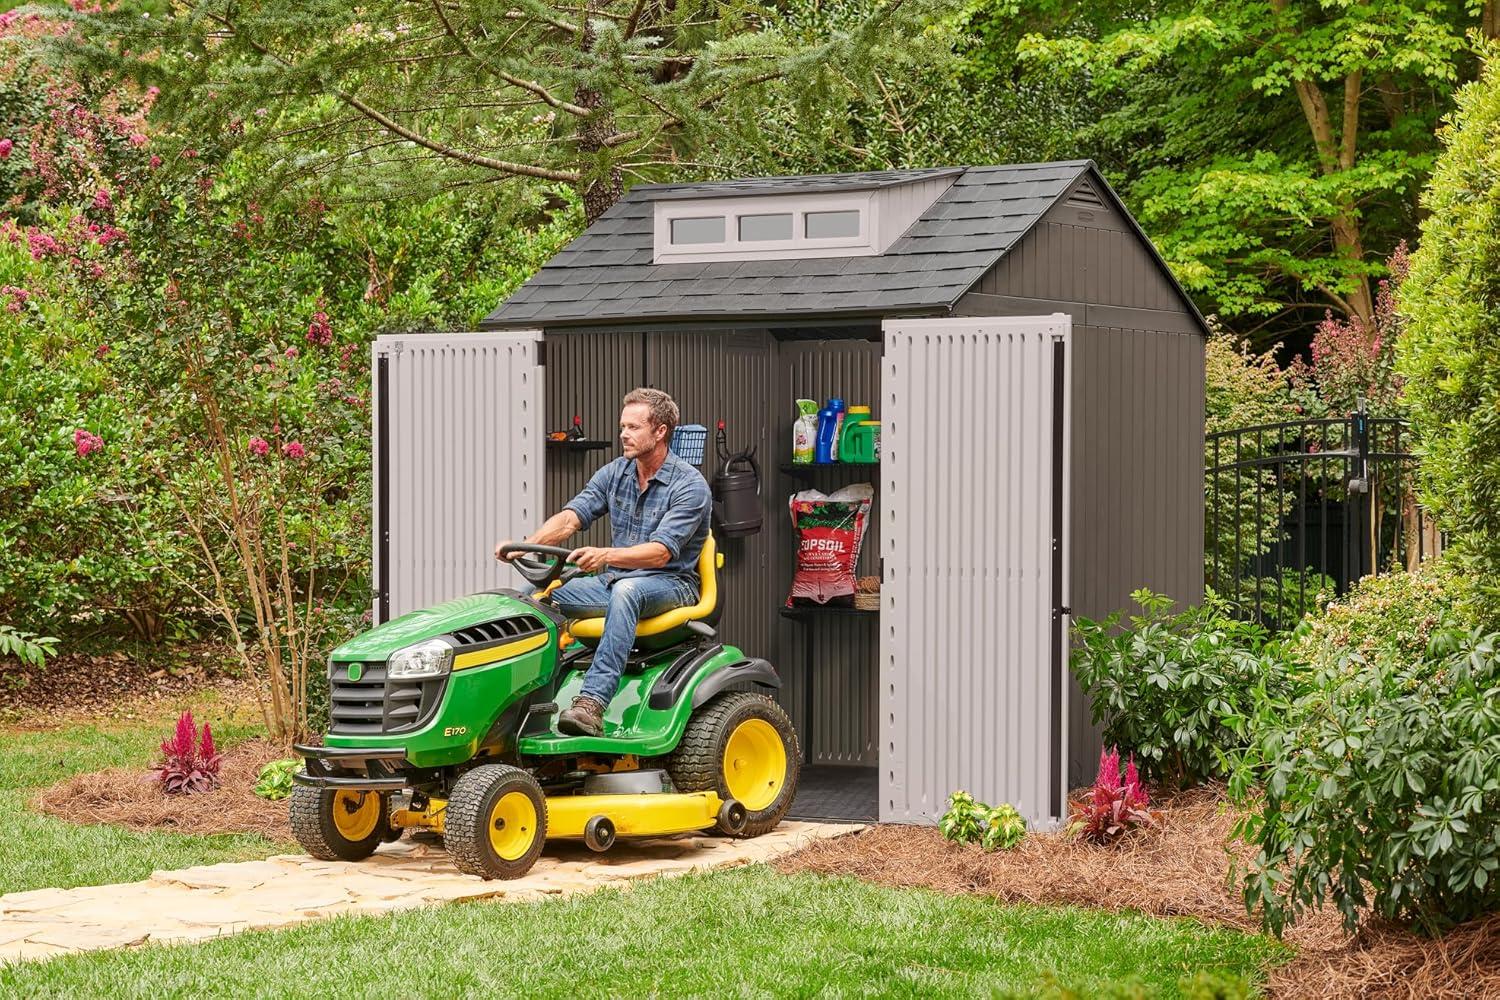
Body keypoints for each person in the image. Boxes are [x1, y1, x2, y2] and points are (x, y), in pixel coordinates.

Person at [496, 388, 710, 737]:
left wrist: (605, 555)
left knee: (627, 591)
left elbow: (661, 552)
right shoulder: (616, 473)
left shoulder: (689, 485)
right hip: (613, 581)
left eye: (634, 427)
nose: (624, 434)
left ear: (660, 432)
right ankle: (520, 701)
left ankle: (591, 704)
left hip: (670, 585)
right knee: (530, 597)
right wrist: (526, 545)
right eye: (622, 426)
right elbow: (570, 519)